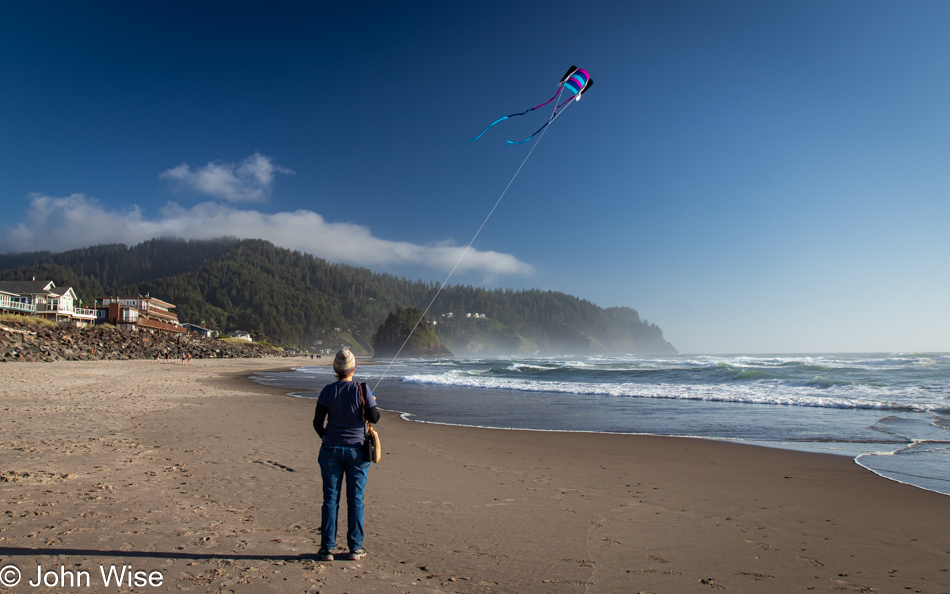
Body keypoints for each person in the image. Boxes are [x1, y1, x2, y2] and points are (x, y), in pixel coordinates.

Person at [312, 349, 379, 561]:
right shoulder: (363, 389)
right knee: (356, 500)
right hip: (357, 451)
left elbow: (317, 423)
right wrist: (371, 402)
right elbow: (375, 418)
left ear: (335, 369)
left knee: (330, 500)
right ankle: (355, 548)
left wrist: (328, 437)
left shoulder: (327, 390)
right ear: (354, 368)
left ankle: (327, 548)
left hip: (330, 449)